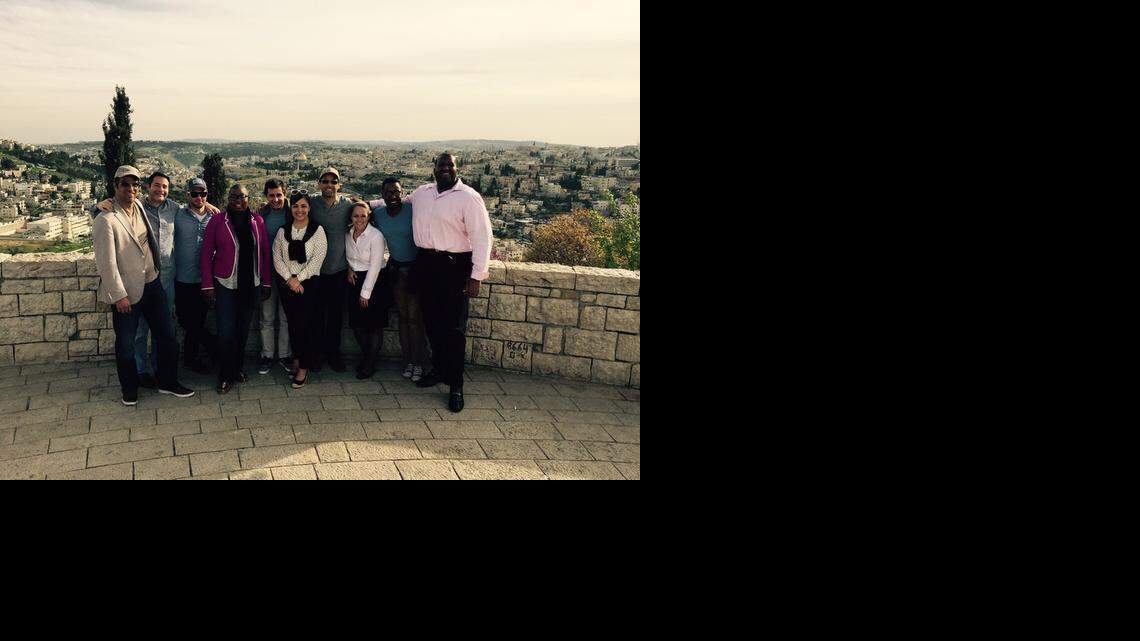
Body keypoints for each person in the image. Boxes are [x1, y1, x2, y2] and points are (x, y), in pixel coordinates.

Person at [95, 172, 219, 387]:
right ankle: (140, 372)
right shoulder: (138, 206)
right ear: (148, 187)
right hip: (140, 278)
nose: (161, 190)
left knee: (163, 329)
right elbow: (106, 215)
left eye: (164, 187)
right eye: (157, 185)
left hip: (167, 279)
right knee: (140, 330)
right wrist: (98, 205)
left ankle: (160, 370)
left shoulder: (175, 209)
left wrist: (207, 205)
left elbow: (195, 207)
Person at [406, 153, 493, 413]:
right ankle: (439, 370)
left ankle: (456, 385)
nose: (445, 168)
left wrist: (476, 276)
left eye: (450, 165)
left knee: (454, 330)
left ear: (457, 168)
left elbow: (483, 237)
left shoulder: (468, 197)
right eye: (441, 165)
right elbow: (399, 200)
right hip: (426, 264)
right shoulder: (422, 193)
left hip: (454, 267)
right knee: (432, 324)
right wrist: (365, 203)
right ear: (433, 169)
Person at [200, 184, 272, 395]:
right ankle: (225, 374)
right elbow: (206, 254)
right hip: (226, 285)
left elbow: (264, 253)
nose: (238, 200)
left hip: (250, 285)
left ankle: (236, 368)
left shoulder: (257, 221)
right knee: (226, 332)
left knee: (242, 331)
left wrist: (266, 282)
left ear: (249, 198)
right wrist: (207, 285)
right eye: (234, 196)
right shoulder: (217, 221)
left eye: (242, 196)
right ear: (228, 198)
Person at [366, 178, 427, 382]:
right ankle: (408, 361)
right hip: (397, 270)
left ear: (402, 193)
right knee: (403, 317)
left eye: (396, 192)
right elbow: (360, 213)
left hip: (415, 270)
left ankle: (418, 362)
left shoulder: (412, 210)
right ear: (382, 195)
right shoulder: (379, 214)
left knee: (415, 319)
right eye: (388, 193)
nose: (393, 196)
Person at [273, 190, 327, 388]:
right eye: (295, 206)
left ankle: (304, 366)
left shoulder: (317, 231)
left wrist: (299, 279)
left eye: (304, 206)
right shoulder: (283, 231)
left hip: (309, 285)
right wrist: (290, 279)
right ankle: (297, 359)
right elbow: (277, 257)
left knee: (305, 326)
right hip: (287, 285)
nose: (299, 210)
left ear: (309, 208)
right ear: (291, 208)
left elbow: (317, 260)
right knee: (293, 325)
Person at [307, 167, 356, 372]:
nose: (329, 185)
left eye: (333, 181)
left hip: (338, 270)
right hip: (316, 270)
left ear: (339, 185)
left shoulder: (347, 205)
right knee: (316, 315)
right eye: (325, 181)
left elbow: (366, 212)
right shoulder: (312, 203)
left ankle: (333, 354)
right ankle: (318, 354)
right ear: (319, 184)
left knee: (335, 317)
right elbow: (289, 206)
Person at [172, 178, 219, 375]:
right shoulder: (177, 214)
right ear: (187, 195)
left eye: (203, 193)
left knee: (198, 320)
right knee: (185, 320)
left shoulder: (215, 216)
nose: (199, 197)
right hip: (183, 278)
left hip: (205, 280)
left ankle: (191, 359)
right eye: (195, 193)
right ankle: (215, 349)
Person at [344, 202, 388, 379]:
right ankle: (367, 357)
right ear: (351, 217)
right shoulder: (348, 234)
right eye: (356, 216)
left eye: (363, 215)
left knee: (374, 326)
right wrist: (349, 268)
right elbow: (348, 257)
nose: (359, 219)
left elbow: (375, 266)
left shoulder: (376, 236)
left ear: (369, 216)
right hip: (354, 280)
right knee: (358, 325)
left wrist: (365, 293)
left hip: (374, 282)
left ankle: (369, 364)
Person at [254, 179, 293, 374]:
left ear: (285, 194)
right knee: (267, 317)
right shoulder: (262, 215)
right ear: (266, 196)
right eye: (271, 195)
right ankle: (267, 355)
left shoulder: (293, 213)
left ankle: (285, 355)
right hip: (267, 273)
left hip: (288, 273)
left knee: (286, 317)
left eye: (279, 195)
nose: (275, 199)